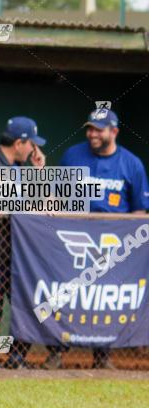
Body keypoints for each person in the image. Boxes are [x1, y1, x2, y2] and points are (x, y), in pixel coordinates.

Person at [45, 108, 149, 370]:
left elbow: (139, 210)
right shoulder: (73, 156)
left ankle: (102, 356)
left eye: (98, 129)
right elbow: (57, 196)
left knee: (103, 298)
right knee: (65, 295)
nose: (92, 134)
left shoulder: (132, 164)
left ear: (114, 131)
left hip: (112, 243)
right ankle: (56, 352)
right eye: (90, 128)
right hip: (75, 235)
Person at [0, 117, 46, 369]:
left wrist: (38, 174)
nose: (33, 150)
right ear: (20, 143)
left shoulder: (19, 168)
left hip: (20, 254)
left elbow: (46, 202)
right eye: (31, 144)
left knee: (25, 308)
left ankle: (14, 355)